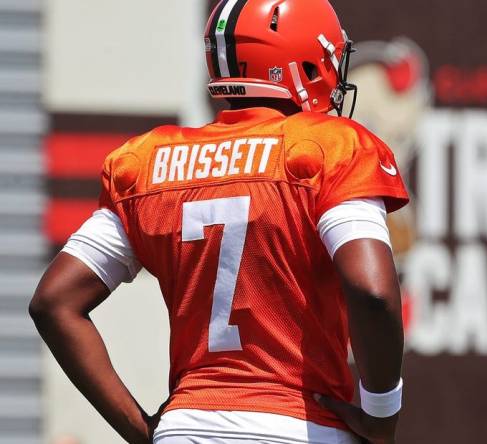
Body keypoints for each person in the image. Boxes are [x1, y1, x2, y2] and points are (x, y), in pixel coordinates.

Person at [29, 1, 409, 443]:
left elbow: (55, 301)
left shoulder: (149, 161)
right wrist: (382, 414)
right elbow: (373, 292)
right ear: (304, 63)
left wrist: (143, 431)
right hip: (298, 426)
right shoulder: (331, 148)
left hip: (186, 427)